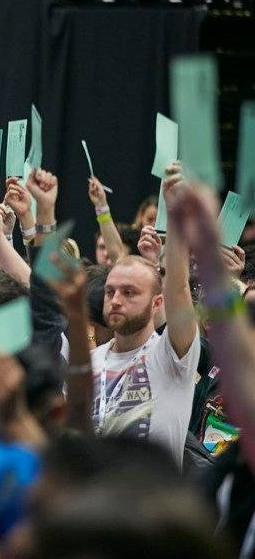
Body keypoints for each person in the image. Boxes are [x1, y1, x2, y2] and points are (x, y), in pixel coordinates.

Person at [88, 167, 199, 465]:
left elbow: (177, 286)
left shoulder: (171, 356)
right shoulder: (89, 361)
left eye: (129, 292)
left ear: (156, 303)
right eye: (111, 292)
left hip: (151, 506)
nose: (115, 300)